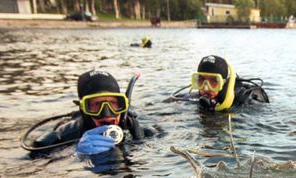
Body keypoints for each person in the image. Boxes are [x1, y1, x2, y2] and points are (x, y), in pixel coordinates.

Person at [24, 70, 152, 155]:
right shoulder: (66, 133)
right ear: (83, 108)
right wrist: (75, 153)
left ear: (122, 105)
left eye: (113, 104)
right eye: (96, 105)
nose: (107, 115)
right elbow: (32, 157)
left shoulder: (135, 128)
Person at [169, 55, 269, 111]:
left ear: (224, 83)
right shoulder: (195, 97)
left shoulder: (244, 101)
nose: (206, 87)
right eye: (201, 79)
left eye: (214, 81)